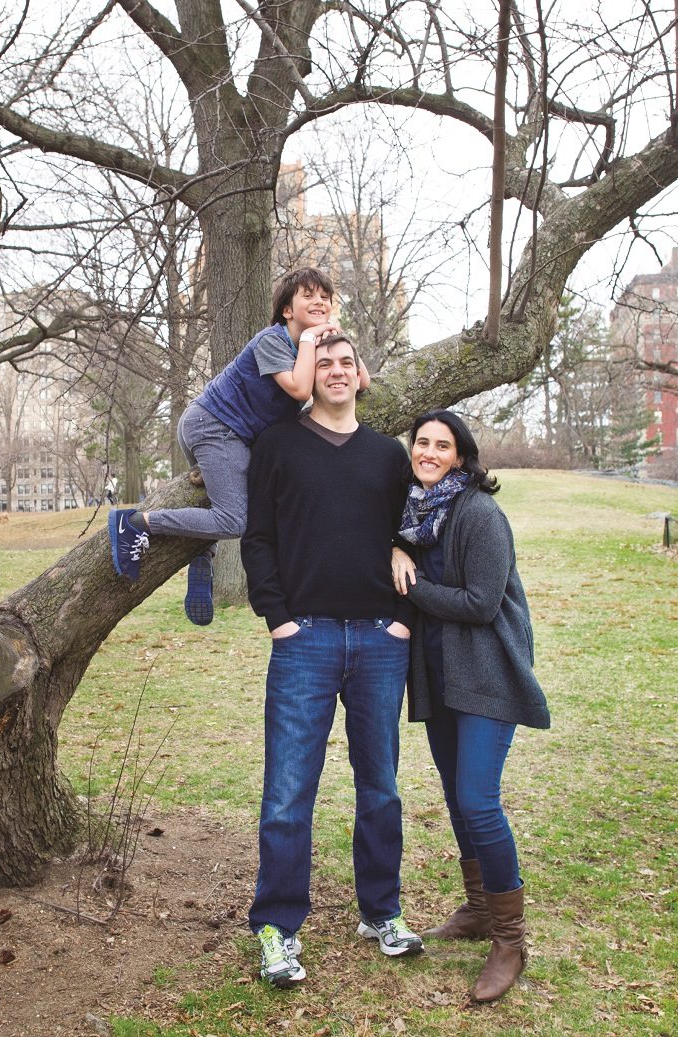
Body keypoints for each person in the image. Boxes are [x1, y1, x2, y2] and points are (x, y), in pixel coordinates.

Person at [240, 333, 422, 988]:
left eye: (347, 362)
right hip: (305, 638)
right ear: (308, 376)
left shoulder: (388, 455)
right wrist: (278, 617)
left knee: (381, 786)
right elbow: (256, 536)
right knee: (288, 791)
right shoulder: (277, 446)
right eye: (325, 363)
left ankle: (383, 911)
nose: (337, 371)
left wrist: (403, 619)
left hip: (380, 638)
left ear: (360, 375)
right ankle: (277, 927)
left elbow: (415, 534)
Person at [391, 409, 550, 1004]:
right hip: (439, 676)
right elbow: (397, 543)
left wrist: (406, 582)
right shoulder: (416, 513)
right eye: (421, 444)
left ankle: (510, 939)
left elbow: (482, 602)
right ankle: (481, 909)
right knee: (458, 797)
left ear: (461, 455)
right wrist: (395, 549)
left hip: (487, 674)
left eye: (442, 445)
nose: (429, 452)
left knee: (480, 801)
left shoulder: (481, 513)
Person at [108, 267, 369, 626]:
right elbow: (299, 389)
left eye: (325, 297)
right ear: (287, 310)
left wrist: (339, 340)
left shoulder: (314, 345)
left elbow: (363, 381)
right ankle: (137, 522)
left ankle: (202, 551)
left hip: (237, 439)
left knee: (249, 503)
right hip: (213, 425)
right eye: (309, 296)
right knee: (234, 519)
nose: (320, 302)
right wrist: (310, 340)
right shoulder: (273, 340)